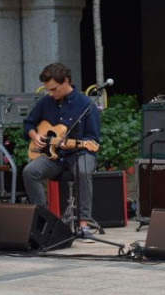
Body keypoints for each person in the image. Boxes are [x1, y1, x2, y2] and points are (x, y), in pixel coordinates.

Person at [22, 62, 100, 238]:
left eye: (54, 89)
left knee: (83, 170)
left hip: (81, 153)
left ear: (66, 81)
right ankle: (42, 220)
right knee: (30, 171)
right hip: (53, 156)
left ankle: (83, 225)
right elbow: (28, 124)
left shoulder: (86, 104)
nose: (51, 93)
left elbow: (93, 139)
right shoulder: (46, 102)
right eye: (48, 90)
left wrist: (74, 143)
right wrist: (34, 136)